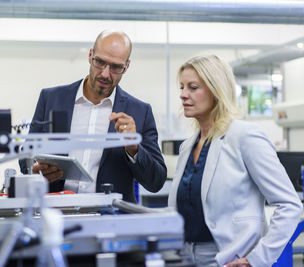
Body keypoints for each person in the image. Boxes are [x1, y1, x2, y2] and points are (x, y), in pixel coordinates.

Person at [168, 55, 302, 267]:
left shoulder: (245, 136)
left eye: (193, 87)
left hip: (229, 258)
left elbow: (290, 205)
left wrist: (257, 259)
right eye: (182, 87)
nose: (183, 95)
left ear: (216, 90)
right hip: (185, 258)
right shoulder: (187, 147)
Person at [19, 30, 167, 203]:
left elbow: (156, 182)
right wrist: (35, 170)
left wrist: (134, 149)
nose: (105, 74)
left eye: (116, 67)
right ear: (90, 56)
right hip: (55, 216)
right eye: (100, 62)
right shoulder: (51, 99)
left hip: (109, 221)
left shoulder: (140, 112)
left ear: (126, 66)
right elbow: (26, 157)